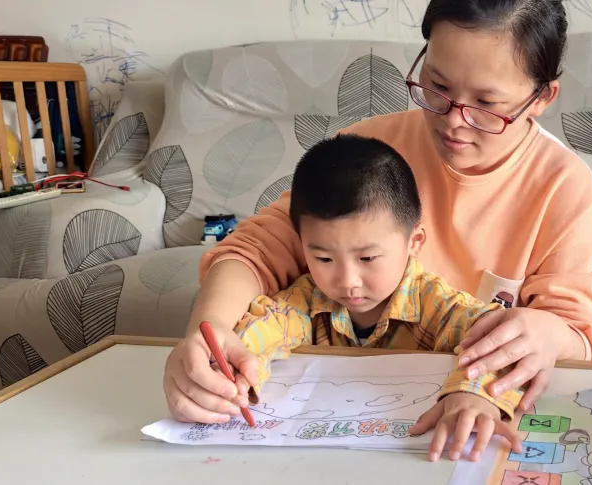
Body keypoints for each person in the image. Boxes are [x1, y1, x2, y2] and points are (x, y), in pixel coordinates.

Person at [163, 0, 592, 461]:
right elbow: (257, 250)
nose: (454, 121)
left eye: (487, 104)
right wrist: (211, 332)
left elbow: (578, 334)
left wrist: (547, 333)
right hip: (342, 421)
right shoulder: (371, 152)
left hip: (465, 419)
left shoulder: (562, 185)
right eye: (437, 86)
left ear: (542, 97)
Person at [225, 133, 525, 461]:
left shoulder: (436, 304)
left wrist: (474, 394)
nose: (347, 281)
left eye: (367, 258)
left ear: (414, 242)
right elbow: (264, 328)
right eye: (323, 258)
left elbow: (494, 337)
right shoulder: (304, 300)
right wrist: (233, 368)